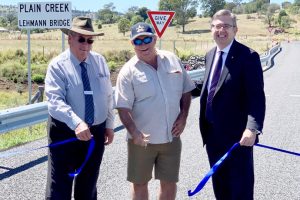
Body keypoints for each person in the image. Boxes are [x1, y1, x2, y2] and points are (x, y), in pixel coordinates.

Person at [115, 22, 195, 200]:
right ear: (132, 44)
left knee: (169, 183)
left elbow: (186, 90)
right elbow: (122, 107)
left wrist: (183, 117)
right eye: (138, 41)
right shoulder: (128, 72)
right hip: (142, 140)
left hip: (171, 138)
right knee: (140, 183)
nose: (143, 44)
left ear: (155, 39)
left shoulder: (172, 59)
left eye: (147, 39)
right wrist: (134, 132)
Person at [45, 16, 115, 200]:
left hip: (95, 133)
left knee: (88, 185)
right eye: (81, 39)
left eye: (90, 40)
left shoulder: (100, 61)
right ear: (70, 38)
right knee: (59, 187)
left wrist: (109, 124)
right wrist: (76, 123)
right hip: (65, 131)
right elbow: (54, 101)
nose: (86, 44)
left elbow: (108, 95)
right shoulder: (57, 66)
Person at [199, 9, 266, 200]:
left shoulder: (248, 56)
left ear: (235, 29)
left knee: (240, 189)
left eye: (226, 26)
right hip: (212, 137)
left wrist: (252, 129)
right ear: (211, 29)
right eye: (217, 26)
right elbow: (212, 85)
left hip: (238, 138)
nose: (221, 30)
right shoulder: (210, 54)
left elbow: (256, 97)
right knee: (220, 187)